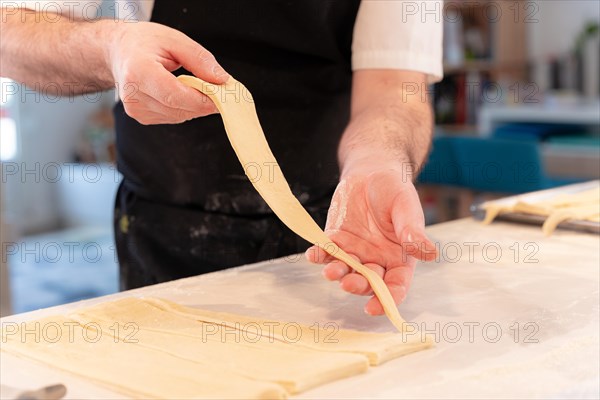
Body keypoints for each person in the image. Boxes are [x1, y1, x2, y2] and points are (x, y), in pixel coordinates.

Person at [1, 0, 442, 316]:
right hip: (164, 228)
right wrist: (111, 47)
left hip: (339, 233)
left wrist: (379, 162)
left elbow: (394, 85)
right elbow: (12, 30)